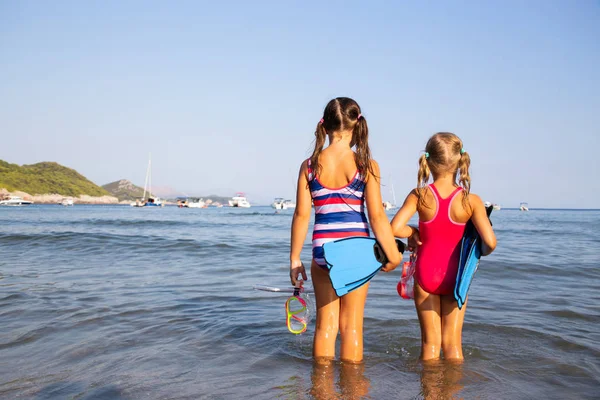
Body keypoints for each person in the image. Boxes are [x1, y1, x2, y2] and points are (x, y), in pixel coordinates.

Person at [289, 97, 402, 363]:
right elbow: (376, 215)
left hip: (322, 251)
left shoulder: (309, 166)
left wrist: (295, 258)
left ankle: (322, 387)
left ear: (325, 126)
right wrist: (392, 253)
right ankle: (352, 389)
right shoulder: (366, 165)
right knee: (351, 327)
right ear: (357, 126)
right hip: (355, 252)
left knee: (325, 327)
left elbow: (302, 214)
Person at [391, 132, 496, 361]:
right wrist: (477, 253)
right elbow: (490, 243)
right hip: (456, 278)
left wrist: (413, 232)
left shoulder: (420, 195)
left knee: (430, 345)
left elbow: (394, 228)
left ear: (428, 161)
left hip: (426, 276)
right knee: (452, 346)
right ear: (460, 161)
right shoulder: (471, 200)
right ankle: (451, 393)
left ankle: (428, 394)